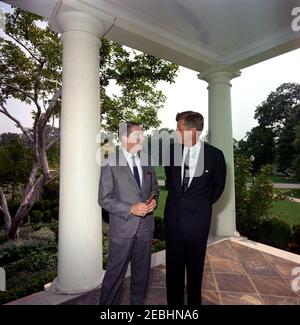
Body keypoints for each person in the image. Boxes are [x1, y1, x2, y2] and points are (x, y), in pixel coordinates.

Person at [164, 111, 226, 305]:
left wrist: (199, 205)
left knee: (195, 270)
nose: (176, 131)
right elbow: (170, 181)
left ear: (192, 131)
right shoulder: (171, 152)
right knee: (173, 270)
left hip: (198, 224)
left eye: (179, 128)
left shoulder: (215, 155)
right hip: (173, 220)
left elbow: (218, 187)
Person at [98, 121, 159, 305]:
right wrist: (130, 208)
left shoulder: (147, 160)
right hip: (123, 229)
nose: (142, 138)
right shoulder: (110, 162)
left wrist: (154, 201)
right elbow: (104, 198)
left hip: (145, 228)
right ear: (125, 138)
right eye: (137, 135)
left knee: (142, 274)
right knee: (115, 275)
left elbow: (154, 188)